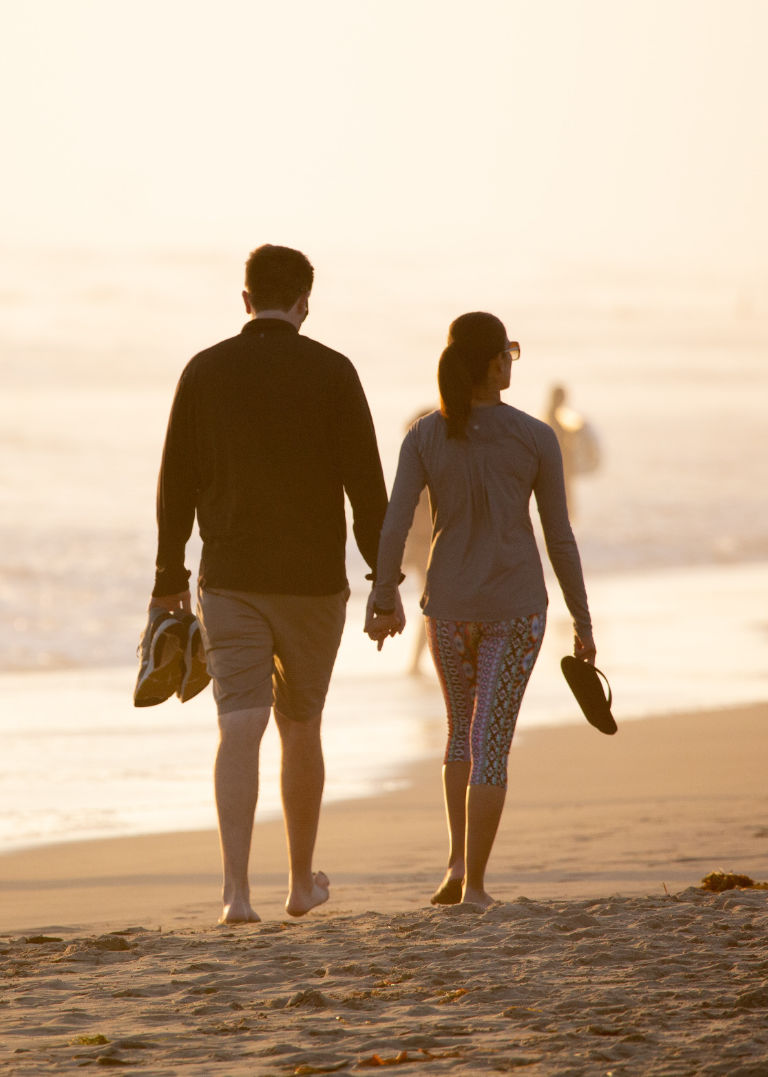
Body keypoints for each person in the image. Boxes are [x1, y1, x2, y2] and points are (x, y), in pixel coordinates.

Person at [149, 244, 394, 924]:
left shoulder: (203, 371)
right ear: (304, 303)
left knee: (240, 725)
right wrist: (384, 580)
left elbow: (174, 485)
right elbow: (368, 490)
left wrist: (167, 581)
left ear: (246, 298)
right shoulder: (334, 372)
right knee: (301, 725)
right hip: (314, 584)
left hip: (230, 580)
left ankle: (235, 893)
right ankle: (298, 883)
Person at [367, 313, 595, 909]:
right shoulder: (535, 437)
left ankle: (456, 867)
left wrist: (382, 594)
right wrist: (583, 622)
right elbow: (559, 537)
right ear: (495, 364)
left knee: (459, 737)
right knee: (489, 743)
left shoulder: (424, 434)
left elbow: (393, 524)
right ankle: (474, 889)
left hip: (446, 607)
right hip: (516, 608)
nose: (512, 363)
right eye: (510, 354)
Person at [544, 383, 600, 516]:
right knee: (563, 499)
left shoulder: (556, 416)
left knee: (565, 498)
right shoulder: (551, 417)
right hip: (559, 463)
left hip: (562, 462)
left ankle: (567, 524)